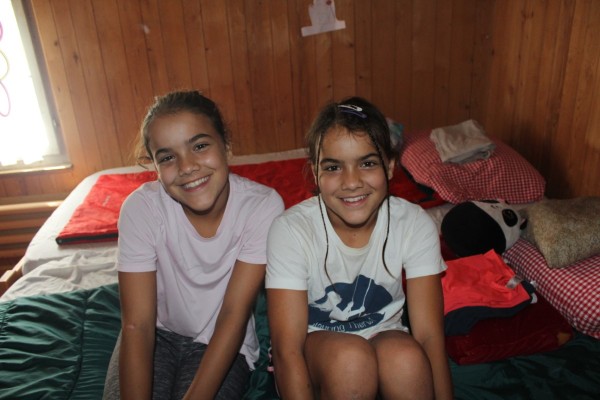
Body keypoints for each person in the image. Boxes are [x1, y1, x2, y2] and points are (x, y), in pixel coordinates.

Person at [265, 97, 453, 399]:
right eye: (333, 167)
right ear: (315, 173)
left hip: (384, 335)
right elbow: (287, 349)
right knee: (351, 360)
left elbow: (430, 337)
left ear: (390, 167)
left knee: (407, 360)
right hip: (312, 344)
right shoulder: (291, 230)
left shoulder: (414, 223)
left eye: (367, 163)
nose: (351, 182)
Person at [103, 90, 284, 400]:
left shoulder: (262, 207)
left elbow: (233, 314)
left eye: (199, 146)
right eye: (167, 157)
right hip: (156, 334)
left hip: (224, 343)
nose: (186, 167)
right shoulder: (141, 208)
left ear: (226, 144)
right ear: (154, 166)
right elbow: (137, 325)